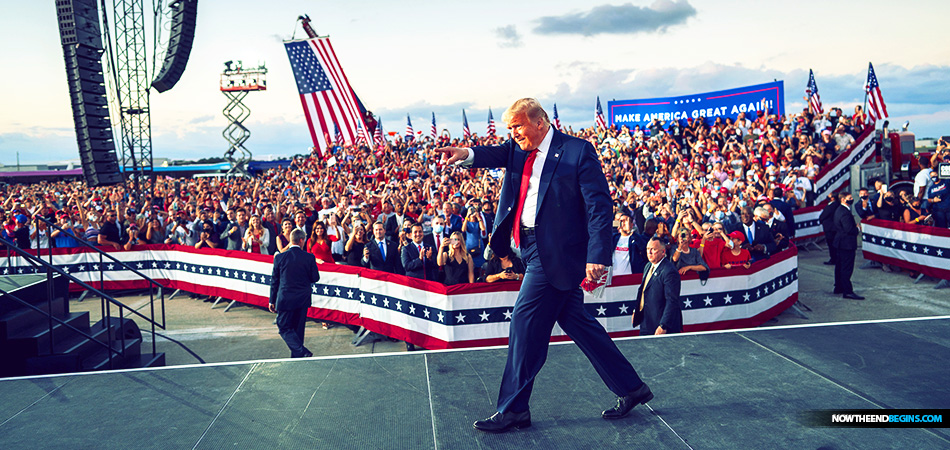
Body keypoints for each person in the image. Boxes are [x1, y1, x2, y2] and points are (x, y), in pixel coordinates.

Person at [437, 98, 652, 432]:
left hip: (558, 255)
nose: (513, 134)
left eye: (518, 126)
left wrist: (598, 256)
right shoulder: (518, 148)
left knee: (524, 325)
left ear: (539, 123)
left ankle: (514, 409)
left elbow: (599, 207)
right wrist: (465, 154)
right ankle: (632, 388)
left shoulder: (577, 152)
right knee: (579, 324)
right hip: (529, 249)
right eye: (510, 129)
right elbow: (493, 153)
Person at [268, 229, 320, 358]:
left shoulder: (280, 257)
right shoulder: (309, 257)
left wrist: (271, 300)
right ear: (301, 240)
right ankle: (299, 355)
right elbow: (315, 278)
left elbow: (275, 280)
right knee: (298, 330)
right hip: (302, 299)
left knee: (283, 326)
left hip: (285, 299)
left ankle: (300, 352)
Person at [633, 237, 683, 335]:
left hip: (660, 325)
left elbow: (672, 301)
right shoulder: (648, 266)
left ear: (663, 252)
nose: (649, 252)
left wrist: (664, 325)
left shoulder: (669, 271)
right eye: (648, 249)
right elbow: (644, 291)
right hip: (646, 321)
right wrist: (636, 310)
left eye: (653, 249)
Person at [833, 192, 864, 300]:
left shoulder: (839, 210)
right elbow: (849, 229)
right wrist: (858, 229)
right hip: (846, 244)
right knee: (846, 268)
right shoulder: (845, 212)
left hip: (840, 243)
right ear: (843, 199)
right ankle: (847, 291)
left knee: (840, 266)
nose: (852, 199)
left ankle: (838, 287)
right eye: (849, 198)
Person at [819, 192, 840, 265]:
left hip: (830, 229)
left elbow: (823, 216)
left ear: (832, 198)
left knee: (831, 245)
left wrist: (820, 219)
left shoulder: (831, 206)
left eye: (829, 196)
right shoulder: (837, 205)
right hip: (834, 228)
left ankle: (833, 259)